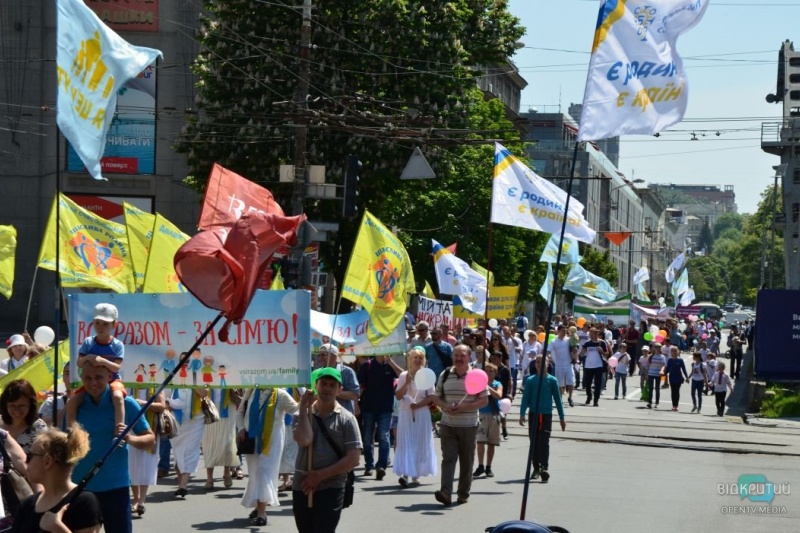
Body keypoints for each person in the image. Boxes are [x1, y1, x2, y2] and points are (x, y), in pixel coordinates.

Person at [70, 364, 154, 533]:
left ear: (109, 377)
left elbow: (150, 439)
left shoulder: (126, 403)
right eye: (88, 378)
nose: (93, 382)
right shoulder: (76, 404)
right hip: (80, 486)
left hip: (115, 487)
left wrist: (129, 438)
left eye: (99, 377)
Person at [292, 368, 362, 533]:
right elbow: (304, 439)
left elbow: (354, 459)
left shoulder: (347, 419)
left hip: (331, 486)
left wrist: (319, 476)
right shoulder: (303, 413)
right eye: (323, 383)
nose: (327, 388)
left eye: (332, 385)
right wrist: (303, 408)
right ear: (316, 385)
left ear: (339, 390)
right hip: (302, 485)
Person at [12, 424, 103, 533]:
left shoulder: (84, 502)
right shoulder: (27, 505)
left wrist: (59, 529)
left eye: (30, 456)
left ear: (47, 461)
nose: (26, 462)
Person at [431, 344, 488, 506]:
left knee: (466, 460)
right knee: (448, 458)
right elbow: (436, 397)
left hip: (469, 425)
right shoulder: (445, 373)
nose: (458, 358)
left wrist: (465, 407)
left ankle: (463, 493)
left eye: (462, 355)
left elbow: (484, 400)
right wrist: (444, 406)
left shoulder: (476, 375)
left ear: (469, 357)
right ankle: (446, 492)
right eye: (456, 355)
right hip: (448, 424)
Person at [236, 387, 299, 526]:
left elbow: (296, 409)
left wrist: (306, 398)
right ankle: (259, 506)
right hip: (251, 439)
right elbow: (240, 412)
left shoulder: (281, 394)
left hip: (272, 440)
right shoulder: (251, 391)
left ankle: (261, 512)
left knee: (264, 471)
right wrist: (241, 428)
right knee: (254, 474)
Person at [65, 304, 125, 440]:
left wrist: (102, 361)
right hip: (91, 381)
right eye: (97, 323)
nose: (100, 327)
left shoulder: (117, 345)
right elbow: (79, 363)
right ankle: (70, 433)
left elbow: (116, 367)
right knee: (72, 401)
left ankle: (119, 430)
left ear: (114, 325)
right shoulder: (88, 342)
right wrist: (88, 358)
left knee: (118, 398)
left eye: (105, 324)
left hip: (113, 379)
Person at [393, 347, 437, 488]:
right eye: (415, 358)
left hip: (422, 412)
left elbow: (431, 396)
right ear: (410, 360)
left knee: (419, 442)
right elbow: (398, 395)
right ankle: (405, 473)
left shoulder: (427, 375)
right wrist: (406, 382)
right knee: (406, 442)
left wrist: (418, 405)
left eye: (420, 358)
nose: (417, 360)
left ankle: (416, 474)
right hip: (406, 413)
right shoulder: (403, 375)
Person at [519, 355, 566, 482]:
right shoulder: (531, 380)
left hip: (546, 415)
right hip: (534, 414)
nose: (539, 364)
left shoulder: (552, 380)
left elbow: (558, 400)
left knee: (544, 441)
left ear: (548, 364)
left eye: (542, 362)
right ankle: (535, 468)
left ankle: (544, 467)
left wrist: (562, 417)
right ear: (535, 365)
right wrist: (522, 413)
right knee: (534, 441)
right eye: (537, 362)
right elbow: (526, 398)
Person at [357, 355, 400, 480]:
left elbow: (402, 375)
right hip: (369, 407)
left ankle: (381, 465)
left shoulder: (390, 365)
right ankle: (369, 465)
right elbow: (360, 386)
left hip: (385, 407)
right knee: (367, 437)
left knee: (384, 436)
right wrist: (356, 404)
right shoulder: (367, 365)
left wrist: (391, 361)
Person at [128, 388, 165, 518]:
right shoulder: (128, 384)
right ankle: (136, 499)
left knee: (146, 464)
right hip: (130, 429)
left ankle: (142, 501)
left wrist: (144, 403)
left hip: (150, 429)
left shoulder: (155, 385)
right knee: (132, 465)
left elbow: (162, 406)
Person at [167, 388, 209, 498]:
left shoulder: (197, 377)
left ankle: (183, 486)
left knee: (190, 450)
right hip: (177, 420)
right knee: (178, 452)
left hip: (195, 420)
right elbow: (165, 400)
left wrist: (193, 384)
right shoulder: (174, 379)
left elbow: (204, 392)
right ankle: (181, 483)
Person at [202, 389, 239, 490]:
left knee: (227, 443)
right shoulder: (206, 374)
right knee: (209, 443)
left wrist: (234, 392)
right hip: (209, 408)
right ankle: (209, 478)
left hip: (227, 408)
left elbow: (239, 398)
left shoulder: (231, 375)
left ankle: (227, 473)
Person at [0, 379, 48, 454]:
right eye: (12, 405)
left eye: (21, 406)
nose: (16, 410)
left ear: (31, 405)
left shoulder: (39, 428)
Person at [473, 363, 502, 479]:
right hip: (482, 414)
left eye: (491, 371)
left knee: (491, 443)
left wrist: (487, 386)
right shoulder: (479, 384)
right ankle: (480, 465)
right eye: (487, 370)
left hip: (494, 415)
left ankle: (488, 467)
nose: (489, 373)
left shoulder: (497, 384)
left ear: (495, 373)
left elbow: (498, 395)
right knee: (480, 441)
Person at [318, 345, 360, 415]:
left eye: (324, 354)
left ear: (334, 356)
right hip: (323, 416)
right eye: (320, 355)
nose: (321, 357)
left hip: (344, 416)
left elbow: (354, 394)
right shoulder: (318, 373)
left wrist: (334, 392)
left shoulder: (347, 372)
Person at [579, 328, 608, 407]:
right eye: (590, 334)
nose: (591, 335)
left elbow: (607, 354)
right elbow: (582, 354)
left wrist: (602, 351)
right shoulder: (587, 343)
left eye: (593, 334)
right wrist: (580, 352)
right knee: (588, 384)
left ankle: (596, 400)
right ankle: (589, 396)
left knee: (597, 384)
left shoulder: (602, 342)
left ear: (596, 334)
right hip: (588, 366)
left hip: (598, 366)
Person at [547, 325, 575, 407]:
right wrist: (549, 359)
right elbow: (548, 351)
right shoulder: (553, 341)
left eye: (565, 330)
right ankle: (560, 399)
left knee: (571, 382)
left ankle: (570, 397)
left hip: (568, 364)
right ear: (558, 331)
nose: (564, 332)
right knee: (560, 384)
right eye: (562, 331)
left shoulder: (568, 340)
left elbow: (574, 348)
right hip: (559, 365)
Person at [665, 346, 690, 411]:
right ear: (671, 352)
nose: (674, 352)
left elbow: (684, 369)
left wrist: (687, 377)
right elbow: (667, 369)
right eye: (673, 351)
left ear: (678, 351)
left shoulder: (680, 360)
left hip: (678, 378)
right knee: (673, 392)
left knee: (677, 391)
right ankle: (673, 405)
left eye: (675, 351)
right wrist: (663, 372)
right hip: (671, 377)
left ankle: (676, 405)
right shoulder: (670, 360)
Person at [646, 344, 667, 409]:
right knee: (651, 388)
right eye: (656, 347)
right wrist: (647, 374)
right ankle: (649, 402)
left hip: (658, 374)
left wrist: (662, 370)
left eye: (659, 347)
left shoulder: (662, 356)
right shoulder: (651, 356)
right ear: (654, 348)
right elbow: (648, 365)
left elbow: (663, 365)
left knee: (657, 388)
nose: (657, 349)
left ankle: (657, 403)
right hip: (651, 373)